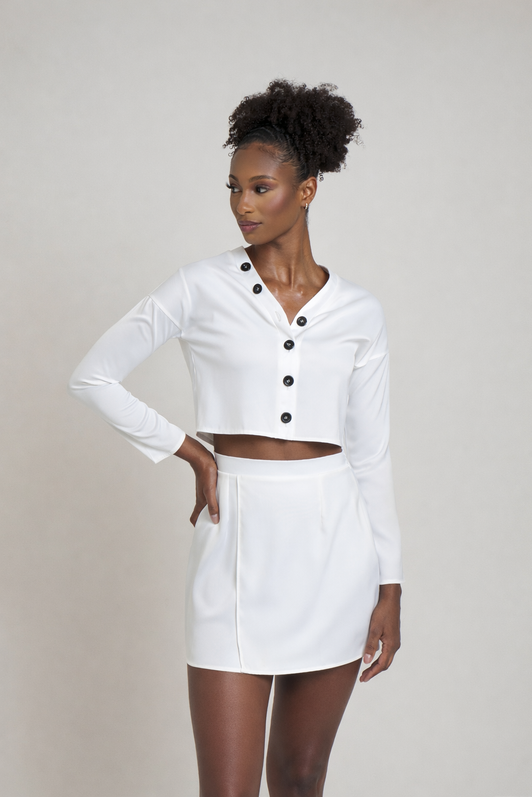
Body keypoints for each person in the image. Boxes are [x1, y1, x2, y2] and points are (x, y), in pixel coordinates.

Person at [68, 78, 403, 797]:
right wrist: (190, 449)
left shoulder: (359, 312)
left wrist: (390, 585)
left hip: (335, 549)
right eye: (233, 188)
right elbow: (92, 375)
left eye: (260, 188)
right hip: (235, 542)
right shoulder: (199, 287)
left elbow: (371, 454)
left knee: (301, 777)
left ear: (306, 190)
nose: (242, 205)